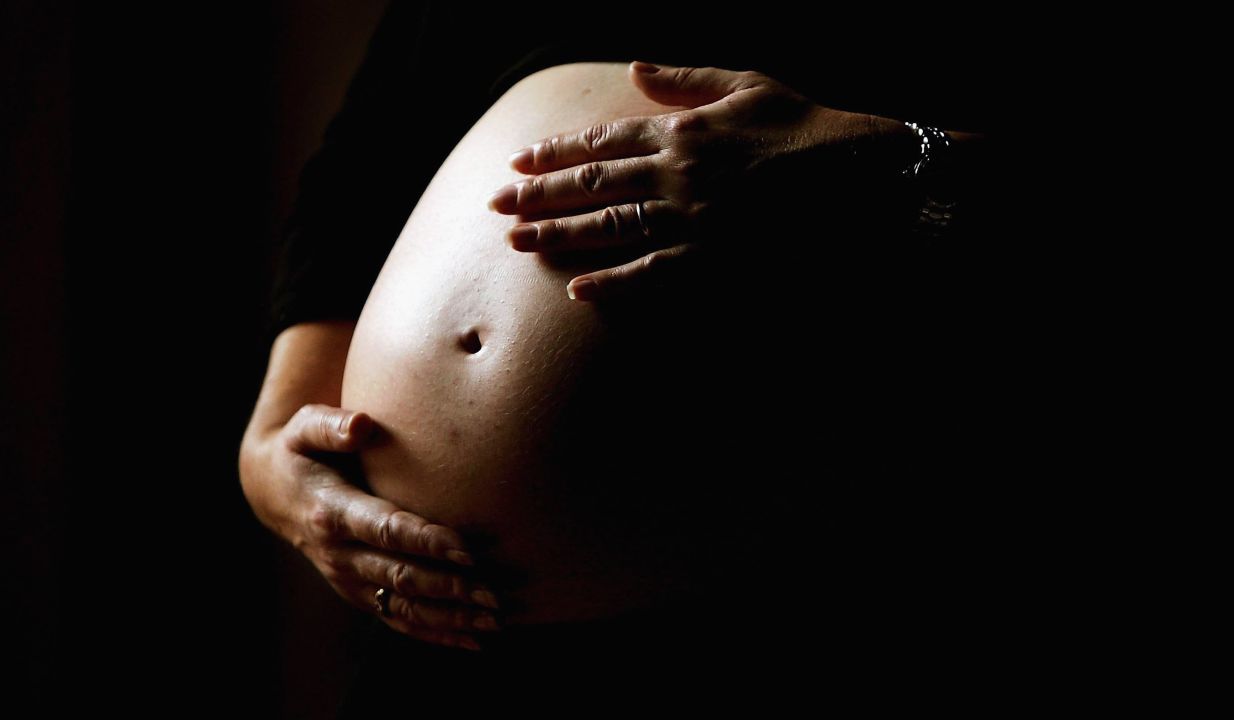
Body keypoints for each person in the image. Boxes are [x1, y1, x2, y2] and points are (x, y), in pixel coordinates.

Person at [239, 0, 1022, 709]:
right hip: (443, 639)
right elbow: (358, 182)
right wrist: (270, 452)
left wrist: (891, 161)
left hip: (795, 617)